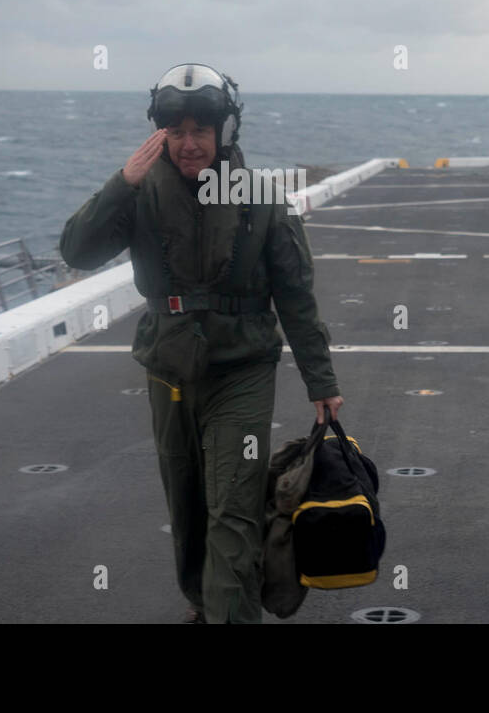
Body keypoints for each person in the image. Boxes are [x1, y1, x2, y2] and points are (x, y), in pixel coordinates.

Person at [59, 64, 344, 623]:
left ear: (225, 132)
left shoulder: (261, 198)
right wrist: (121, 183)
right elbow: (77, 252)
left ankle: (230, 611)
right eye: (177, 131)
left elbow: (296, 295)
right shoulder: (139, 194)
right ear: (159, 132)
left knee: (233, 508)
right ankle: (204, 598)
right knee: (186, 502)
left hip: (243, 370)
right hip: (168, 371)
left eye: (202, 131)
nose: (189, 145)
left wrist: (322, 381)